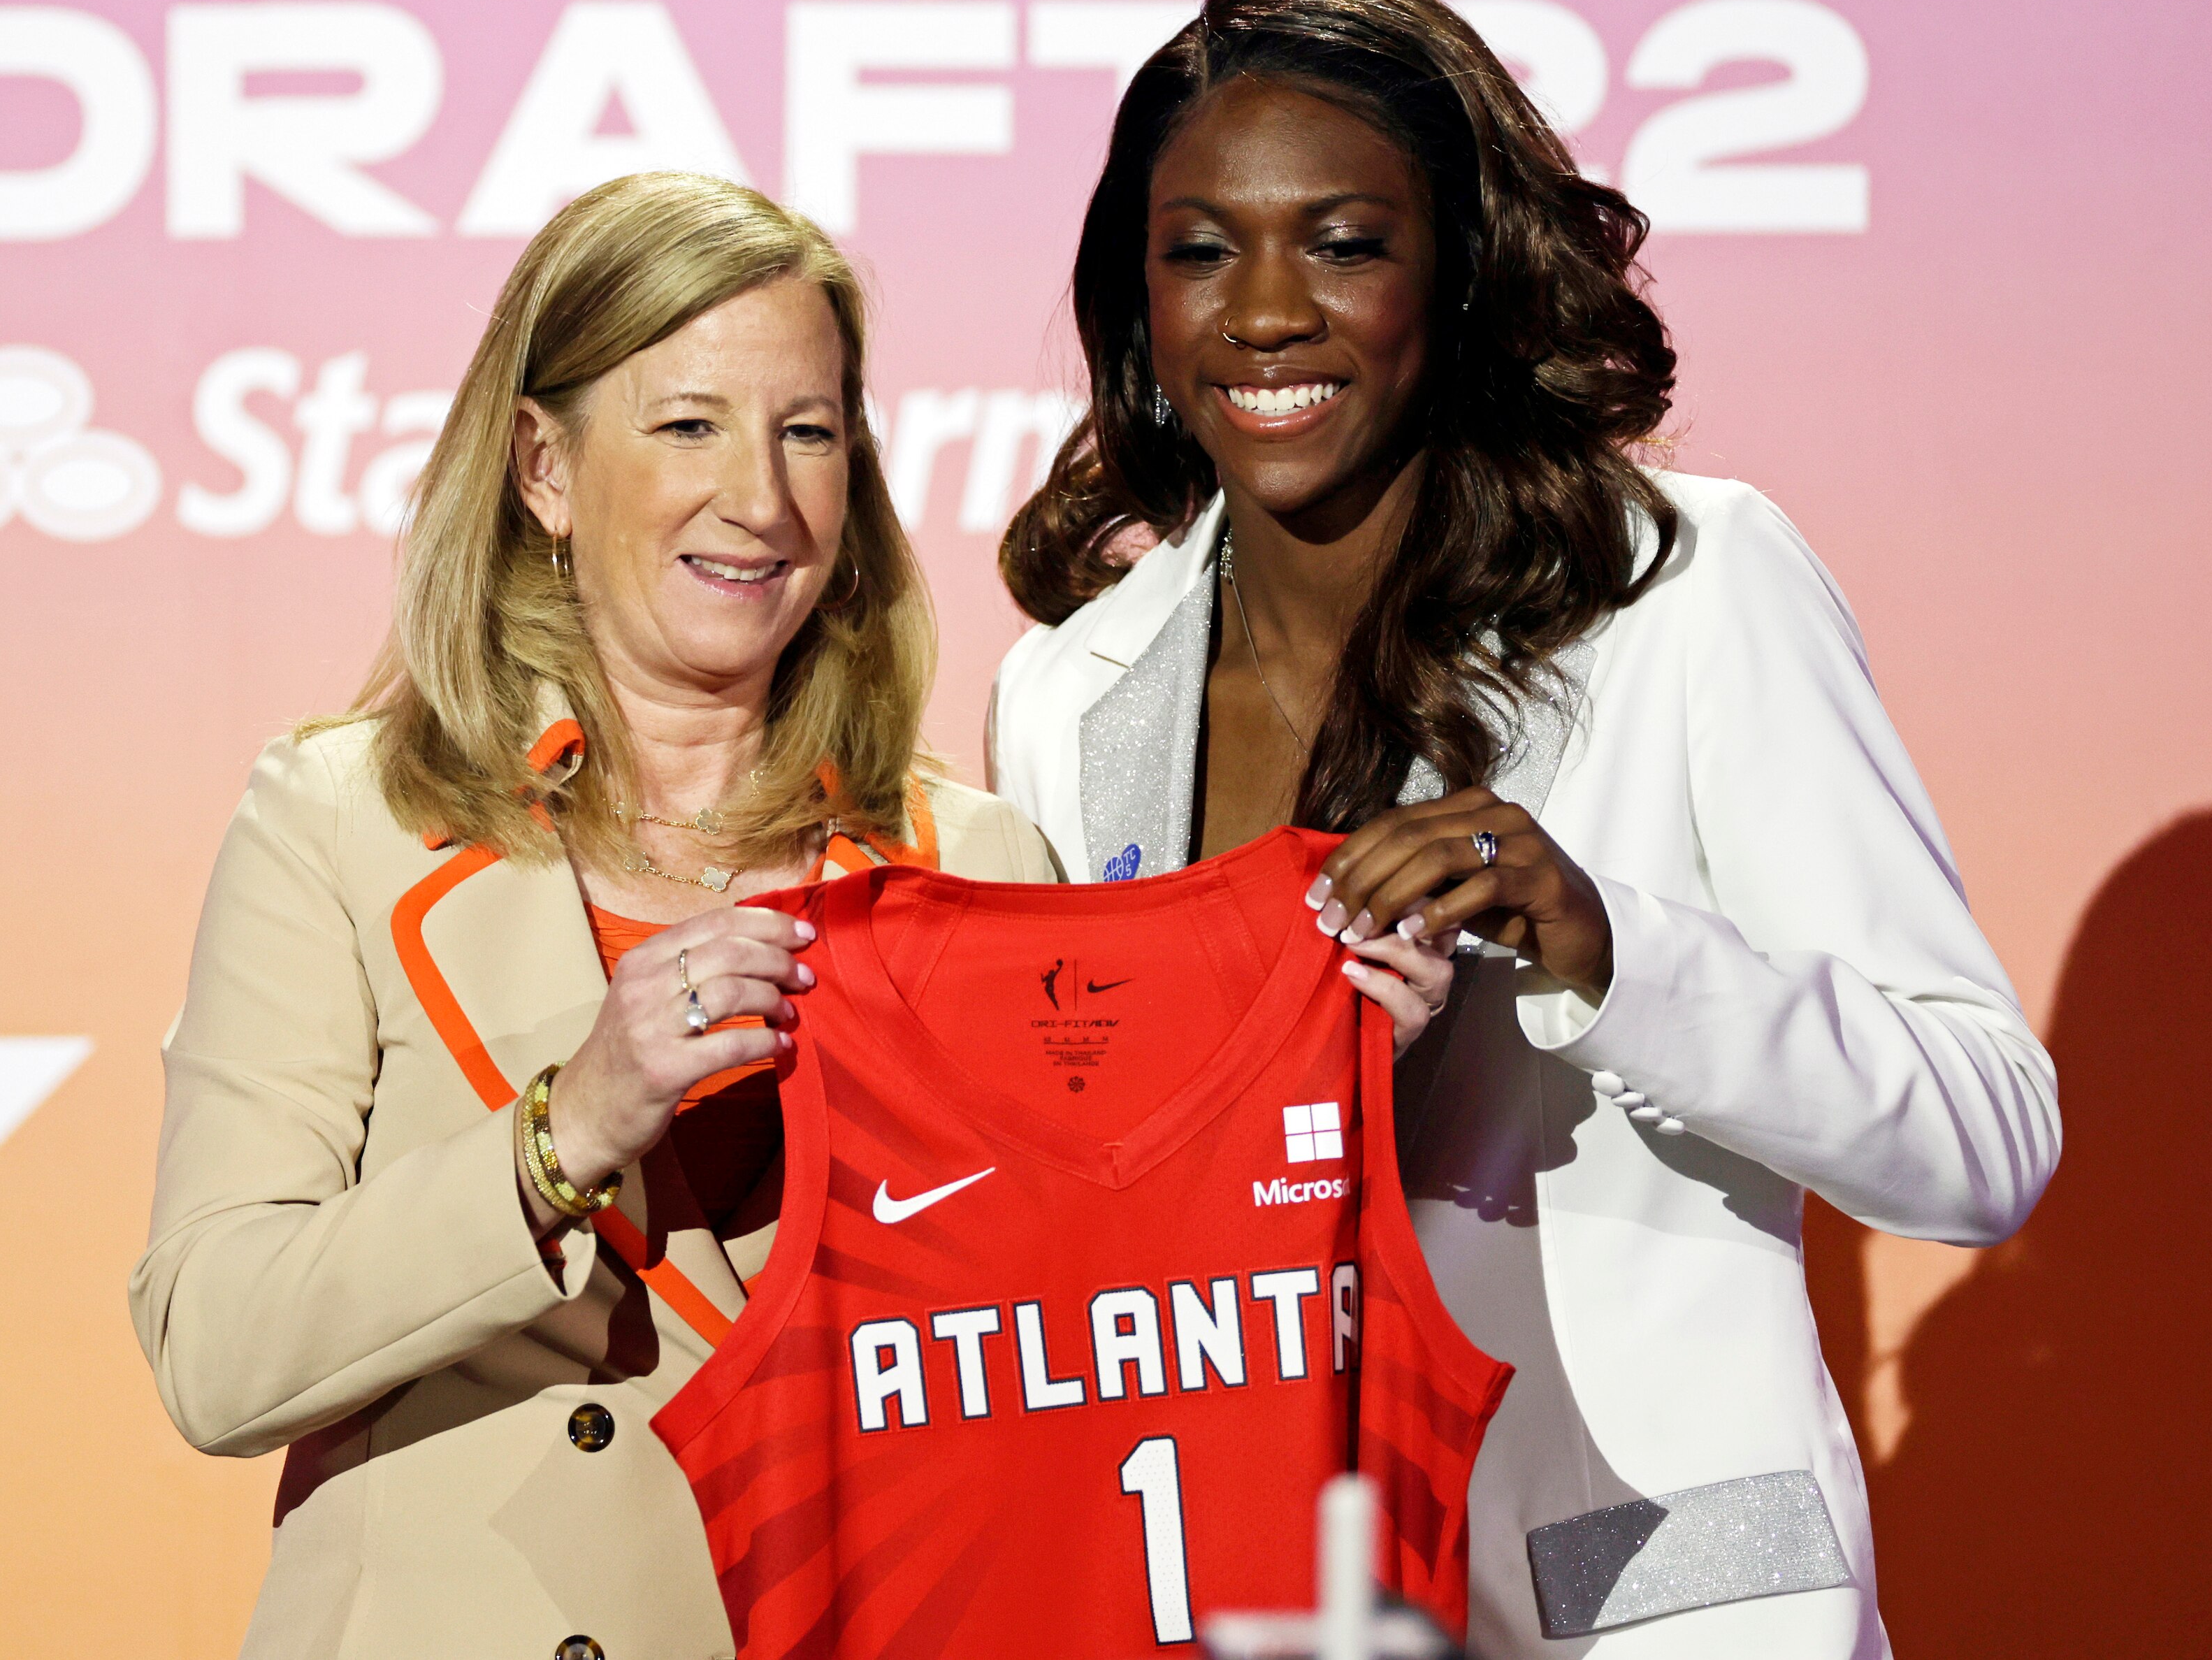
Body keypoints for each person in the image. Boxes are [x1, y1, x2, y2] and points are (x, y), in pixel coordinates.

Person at [136, 174, 1442, 1659]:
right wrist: (565, 1129)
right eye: (687, 424)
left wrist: (1304, 1085)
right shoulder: (341, 819)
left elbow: (1097, 1348)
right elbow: (216, 1348)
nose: (758, 498)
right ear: (541, 466)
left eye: (806, 432)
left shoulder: (974, 856)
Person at [988, 0, 2059, 1659]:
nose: (1265, 310)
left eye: (1341, 241)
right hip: (1256, 1601)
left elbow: (1983, 1136)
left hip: (1641, 1600)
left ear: (1463, 268)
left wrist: (1605, 941)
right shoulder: (1066, 695)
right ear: (1138, 304)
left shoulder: (1680, 588)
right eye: (1200, 250)